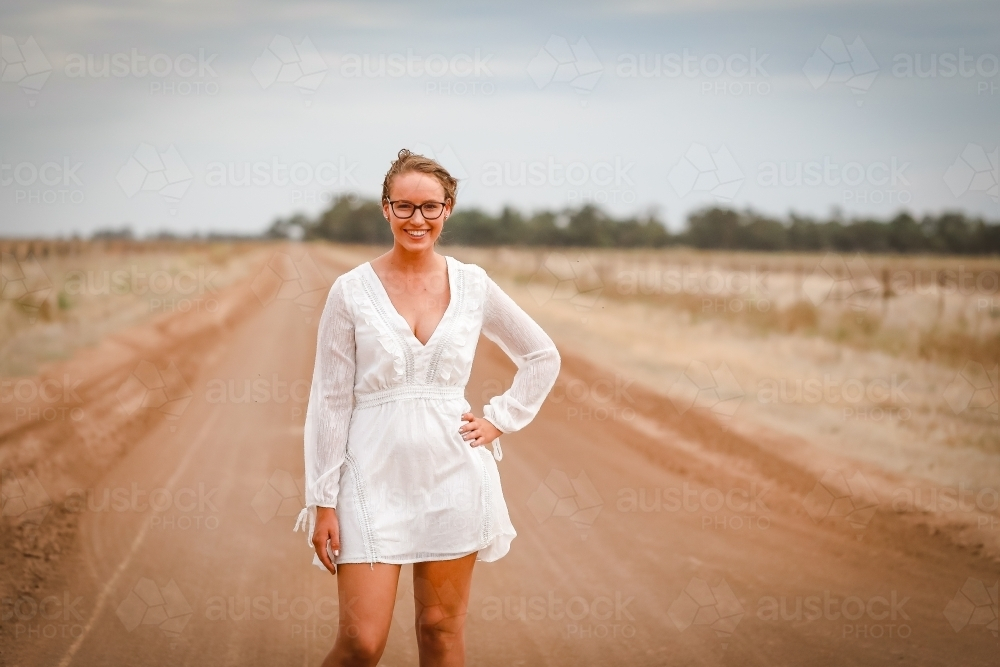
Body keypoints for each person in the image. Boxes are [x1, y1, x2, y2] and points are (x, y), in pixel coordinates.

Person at [294, 148, 561, 666]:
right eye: (405, 206)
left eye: (430, 207)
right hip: (369, 479)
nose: (417, 219)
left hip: (452, 477)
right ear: (386, 209)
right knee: (361, 643)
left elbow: (540, 354)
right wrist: (322, 499)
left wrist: (499, 419)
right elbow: (328, 400)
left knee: (440, 632)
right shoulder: (350, 292)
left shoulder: (474, 285)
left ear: (448, 209)